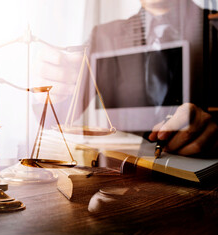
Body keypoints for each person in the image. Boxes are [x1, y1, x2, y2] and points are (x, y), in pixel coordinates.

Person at [32, 0, 218, 157]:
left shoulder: (213, 26)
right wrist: (51, 87)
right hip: (122, 180)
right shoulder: (104, 36)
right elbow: (58, 115)